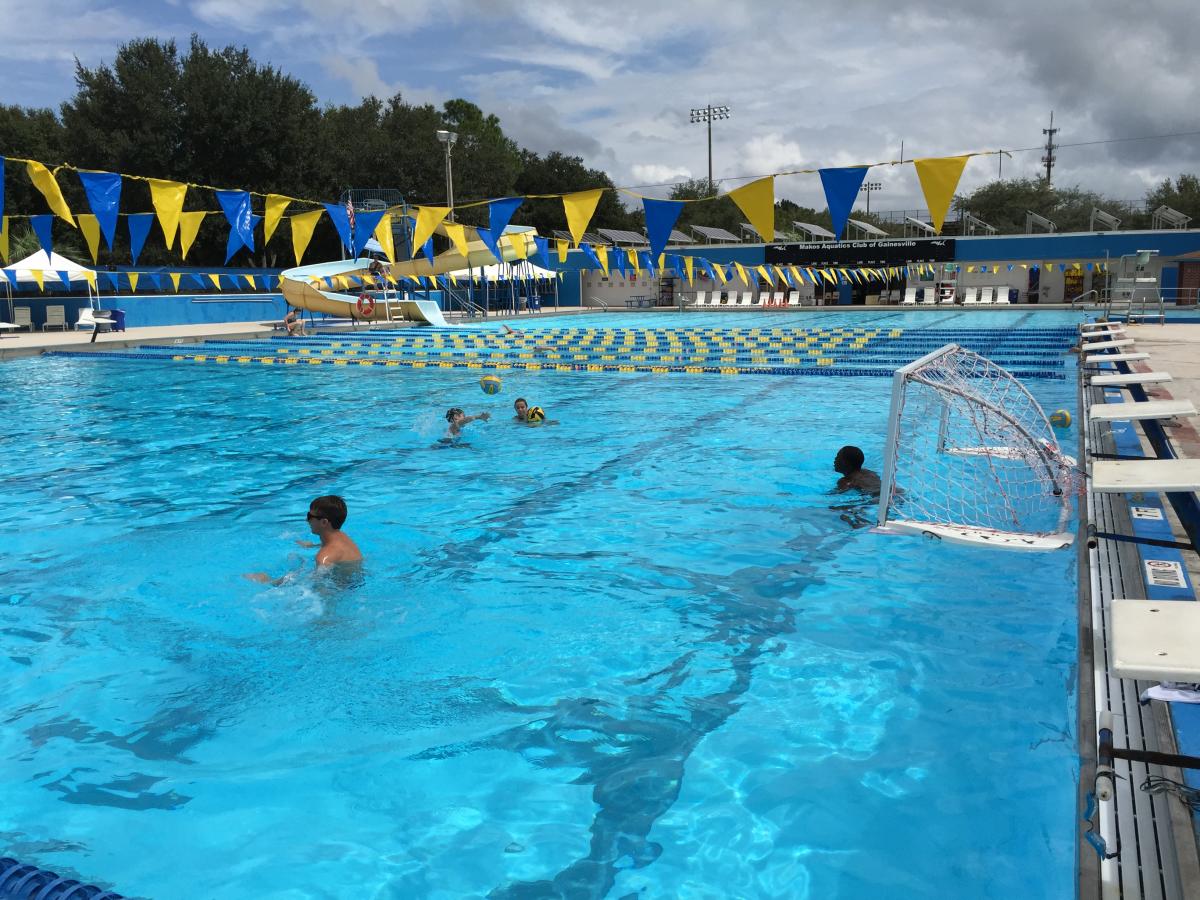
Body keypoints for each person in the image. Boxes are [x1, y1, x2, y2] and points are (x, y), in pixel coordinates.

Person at [245, 495, 362, 583]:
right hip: (354, 580)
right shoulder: (341, 537)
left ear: (324, 522)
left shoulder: (323, 557)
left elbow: (315, 586)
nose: (307, 520)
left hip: (342, 588)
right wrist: (312, 546)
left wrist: (272, 582)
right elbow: (335, 551)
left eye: (310, 516)